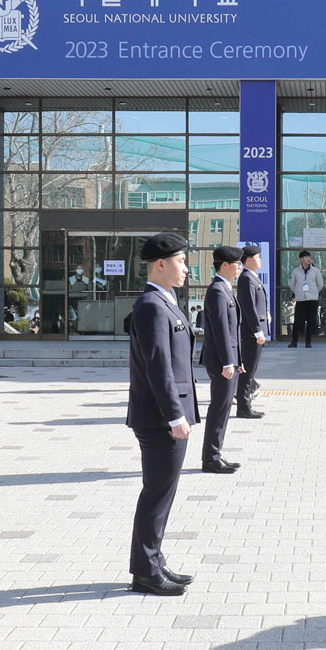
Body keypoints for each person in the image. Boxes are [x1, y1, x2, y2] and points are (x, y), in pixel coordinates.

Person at [125, 231, 198, 596]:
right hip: (159, 418)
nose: (186, 267)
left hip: (165, 414)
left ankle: (153, 561)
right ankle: (145, 572)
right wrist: (174, 415)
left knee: (162, 492)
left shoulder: (165, 301)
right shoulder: (153, 305)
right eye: (181, 261)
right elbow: (159, 365)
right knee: (156, 493)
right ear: (161, 264)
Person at [200, 245, 242, 474]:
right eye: (236, 264)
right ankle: (210, 458)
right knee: (219, 408)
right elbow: (220, 329)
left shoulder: (225, 289)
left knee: (224, 408)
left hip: (230, 360)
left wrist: (239, 360)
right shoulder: (217, 290)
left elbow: (233, 329)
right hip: (221, 361)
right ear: (224, 265)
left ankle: (216, 454)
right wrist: (228, 361)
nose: (239, 268)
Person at [236, 244, 269, 418]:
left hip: (255, 332)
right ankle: (243, 407)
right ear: (248, 260)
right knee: (247, 372)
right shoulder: (247, 278)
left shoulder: (252, 278)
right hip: (250, 334)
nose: (260, 260)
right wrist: (258, 331)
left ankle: (245, 404)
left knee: (250, 371)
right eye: (257, 257)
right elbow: (248, 307)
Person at [287, 250, 323, 347]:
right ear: (301, 259)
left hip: (312, 300)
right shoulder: (296, 271)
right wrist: (298, 292)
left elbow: (320, 284)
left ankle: (308, 342)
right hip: (301, 300)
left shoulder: (315, 271)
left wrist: (314, 292)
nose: (308, 259)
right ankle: (294, 341)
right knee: (298, 321)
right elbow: (291, 284)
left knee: (311, 321)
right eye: (306, 257)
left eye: (309, 257)